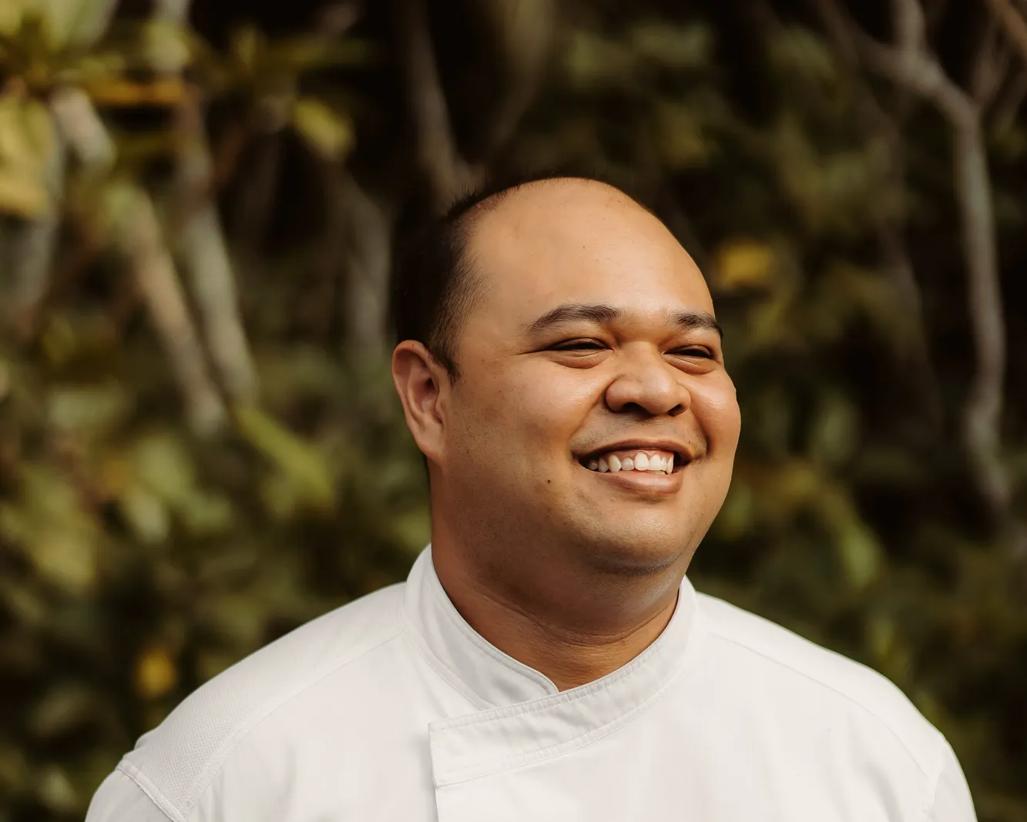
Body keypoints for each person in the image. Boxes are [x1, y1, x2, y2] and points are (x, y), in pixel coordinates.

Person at [86, 176, 977, 821]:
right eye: (581, 345)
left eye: (693, 354)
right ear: (429, 398)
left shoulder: (874, 764)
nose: (653, 389)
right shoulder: (224, 778)